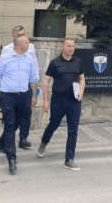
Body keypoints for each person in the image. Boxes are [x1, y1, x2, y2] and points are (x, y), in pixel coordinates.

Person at [0, 35, 38, 174]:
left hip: (24, 96)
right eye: (26, 42)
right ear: (18, 44)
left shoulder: (29, 59)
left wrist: (34, 96)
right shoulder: (4, 58)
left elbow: (33, 79)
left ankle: (2, 143)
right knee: (10, 124)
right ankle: (11, 158)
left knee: (17, 123)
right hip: (8, 96)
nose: (29, 44)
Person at [37, 37, 85, 171]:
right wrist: (45, 101)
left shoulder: (78, 62)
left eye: (73, 46)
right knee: (53, 125)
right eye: (68, 46)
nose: (71, 48)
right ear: (62, 47)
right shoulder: (55, 63)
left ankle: (69, 159)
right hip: (58, 101)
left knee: (73, 131)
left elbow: (82, 79)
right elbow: (46, 82)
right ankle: (44, 142)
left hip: (74, 102)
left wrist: (81, 92)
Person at [0, 25, 39, 150]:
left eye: (23, 34)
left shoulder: (30, 47)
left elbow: (34, 64)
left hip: (26, 84)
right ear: (13, 36)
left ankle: (23, 138)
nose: (22, 37)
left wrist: (35, 81)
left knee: (26, 112)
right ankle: (3, 142)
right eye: (19, 35)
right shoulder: (7, 49)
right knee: (13, 118)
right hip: (12, 87)